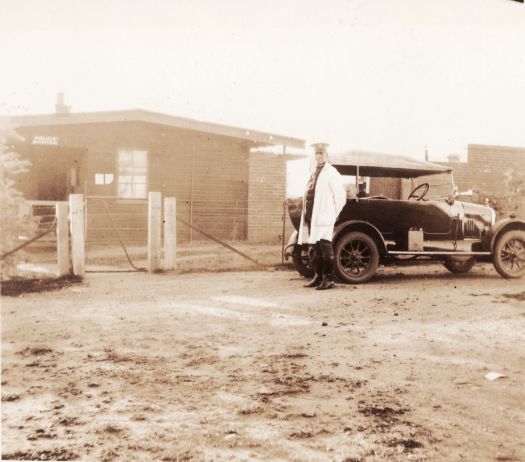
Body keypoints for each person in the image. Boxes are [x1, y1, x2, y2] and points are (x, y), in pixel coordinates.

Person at [298, 143, 347, 290]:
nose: (318, 156)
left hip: (325, 215)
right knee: (315, 248)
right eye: (316, 153)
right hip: (312, 215)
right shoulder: (313, 172)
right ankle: (318, 277)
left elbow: (341, 196)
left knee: (325, 246)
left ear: (327, 155)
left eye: (321, 153)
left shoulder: (332, 173)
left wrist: (334, 213)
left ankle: (329, 279)